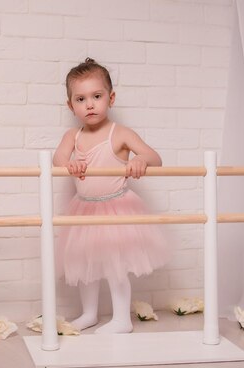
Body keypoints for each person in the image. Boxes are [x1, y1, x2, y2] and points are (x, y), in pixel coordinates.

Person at [53, 58, 169, 334]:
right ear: (71, 106)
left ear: (110, 98)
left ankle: (121, 319)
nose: (89, 104)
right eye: (81, 99)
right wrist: (69, 164)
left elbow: (155, 158)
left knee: (116, 266)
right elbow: (58, 159)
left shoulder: (120, 134)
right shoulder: (73, 135)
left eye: (96, 96)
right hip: (84, 209)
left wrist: (140, 159)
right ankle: (89, 313)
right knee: (85, 265)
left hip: (116, 208)